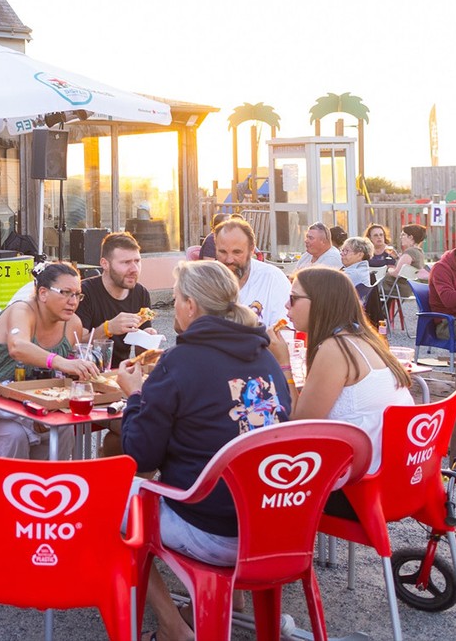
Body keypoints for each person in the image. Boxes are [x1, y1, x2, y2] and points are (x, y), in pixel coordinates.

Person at [117, 260, 290, 641]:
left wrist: (133, 395)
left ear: (191, 305)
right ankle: (234, 600)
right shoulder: (266, 357)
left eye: (176, 299)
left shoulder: (181, 361)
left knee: (110, 503)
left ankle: (172, 626)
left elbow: (140, 457)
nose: (175, 307)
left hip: (213, 530)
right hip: (274, 523)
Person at [267, 266, 412, 517]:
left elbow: (298, 425)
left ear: (320, 302)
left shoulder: (335, 349)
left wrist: (284, 364)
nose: (286, 306)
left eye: (293, 298)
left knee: (263, 471)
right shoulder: (365, 339)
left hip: (360, 491)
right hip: (399, 482)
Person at [0, 262, 98, 459]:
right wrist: (59, 361)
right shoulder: (22, 311)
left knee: (64, 428)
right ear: (42, 293)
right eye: (66, 292)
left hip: (33, 398)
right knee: (14, 435)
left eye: (77, 294)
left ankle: (52, 485)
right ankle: (3, 487)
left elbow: (69, 368)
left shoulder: (73, 324)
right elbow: (17, 347)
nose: (73, 301)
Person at [76, 232, 155, 367]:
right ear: (105, 264)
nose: (134, 269)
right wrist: (108, 328)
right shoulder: (83, 293)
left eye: (137, 261)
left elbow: (139, 355)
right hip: (85, 374)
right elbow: (77, 345)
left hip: (119, 374)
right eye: (126, 262)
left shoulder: (141, 293)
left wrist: (147, 340)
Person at [213, 218, 290, 328]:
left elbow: (285, 331)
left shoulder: (273, 279)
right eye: (222, 252)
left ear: (252, 250)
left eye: (237, 252)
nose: (229, 260)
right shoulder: (204, 280)